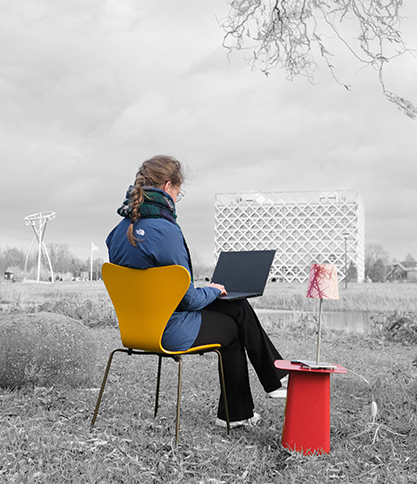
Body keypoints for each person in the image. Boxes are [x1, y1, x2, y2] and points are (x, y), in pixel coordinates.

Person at [105, 155, 288, 428]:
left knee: (237, 308)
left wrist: (210, 292)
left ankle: (273, 382)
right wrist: (213, 291)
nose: (177, 199)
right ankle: (245, 407)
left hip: (135, 329)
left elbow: (157, 287)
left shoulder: (117, 232)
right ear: (168, 187)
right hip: (168, 331)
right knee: (236, 326)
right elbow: (187, 299)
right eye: (179, 192)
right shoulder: (167, 231)